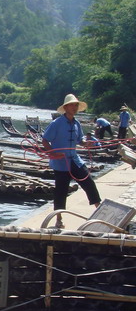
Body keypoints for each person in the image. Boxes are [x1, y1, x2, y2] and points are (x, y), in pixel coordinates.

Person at [42, 94, 101, 229]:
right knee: (61, 191)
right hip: (61, 163)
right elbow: (45, 140)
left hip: (75, 160)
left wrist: (86, 144)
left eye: (76, 105)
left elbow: (80, 140)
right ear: (66, 107)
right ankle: (58, 219)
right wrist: (52, 153)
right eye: (72, 105)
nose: (74, 108)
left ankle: (100, 211)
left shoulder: (76, 123)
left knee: (89, 183)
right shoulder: (56, 124)